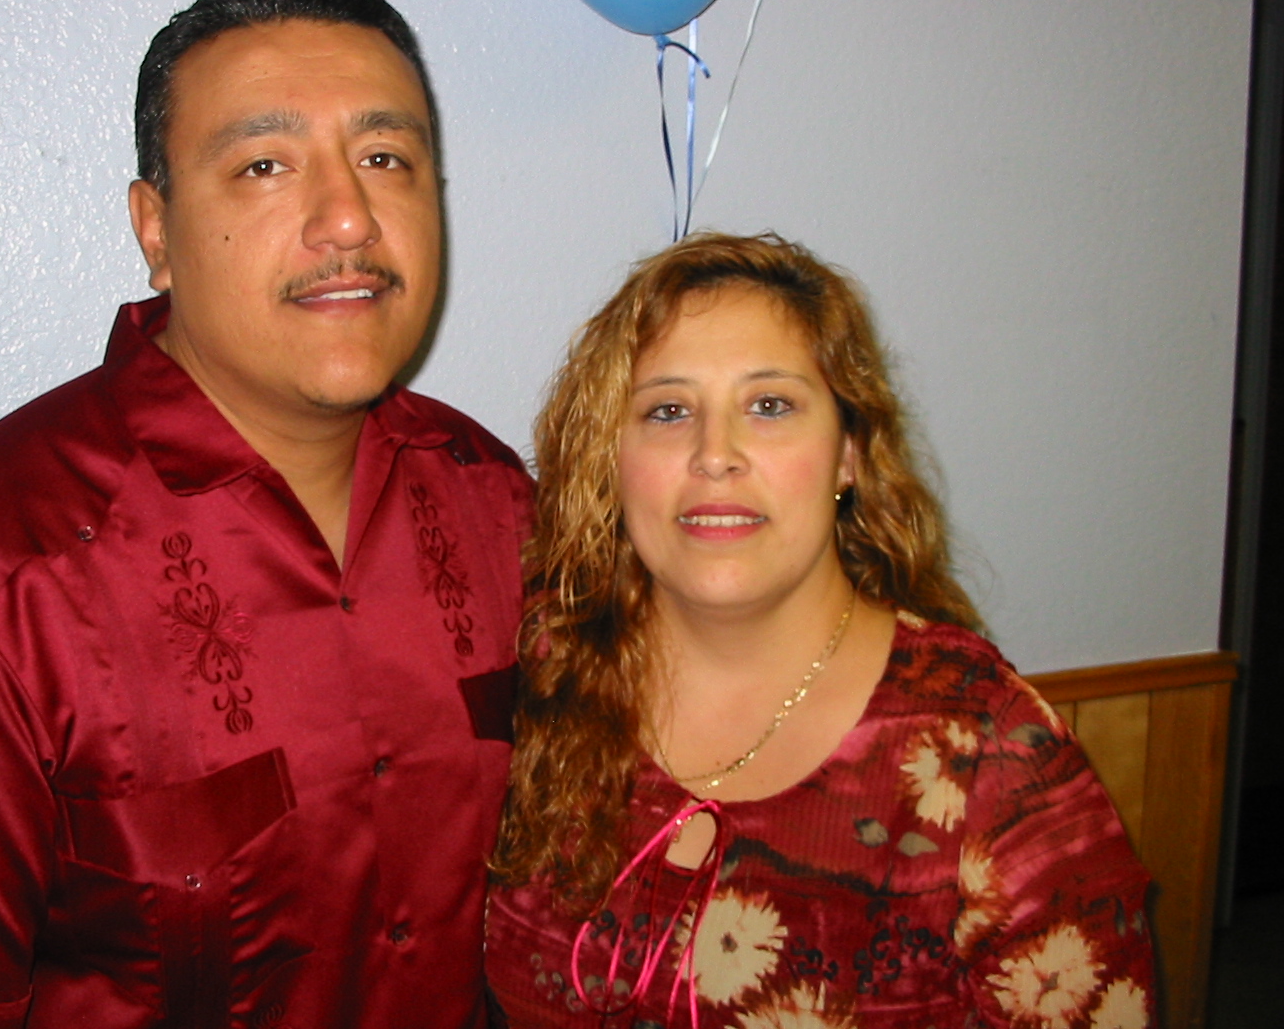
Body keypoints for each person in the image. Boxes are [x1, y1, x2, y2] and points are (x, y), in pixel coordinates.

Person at [0, 0, 532, 1029]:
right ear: (156, 230)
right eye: (264, 165)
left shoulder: (497, 503)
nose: (348, 219)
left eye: (384, 158)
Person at [485, 232, 1156, 1028]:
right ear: (613, 460)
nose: (715, 455)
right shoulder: (540, 681)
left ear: (849, 454)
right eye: (668, 411)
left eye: (769, 406)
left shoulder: (993, 758)